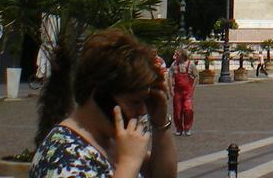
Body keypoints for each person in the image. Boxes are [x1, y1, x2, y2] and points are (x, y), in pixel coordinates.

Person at [30, 29, 177, 178]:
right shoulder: (62, 156)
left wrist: (160, 125)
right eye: (135, 102)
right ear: (101, 95)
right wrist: (129, 162)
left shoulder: (111, 141)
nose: (142, 112)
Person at [168, 48, 197, 136]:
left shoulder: (190, 64)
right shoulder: (174, 65)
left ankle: (187, 128)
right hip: (178, 91)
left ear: (182, 55)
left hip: (187, 91)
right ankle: (179, 128)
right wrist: (170, 89)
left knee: (188, 109)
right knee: (177, 111)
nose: (175, 56)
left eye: (177, 55)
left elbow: (196, 76)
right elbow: (169, 76)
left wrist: (192, 88)